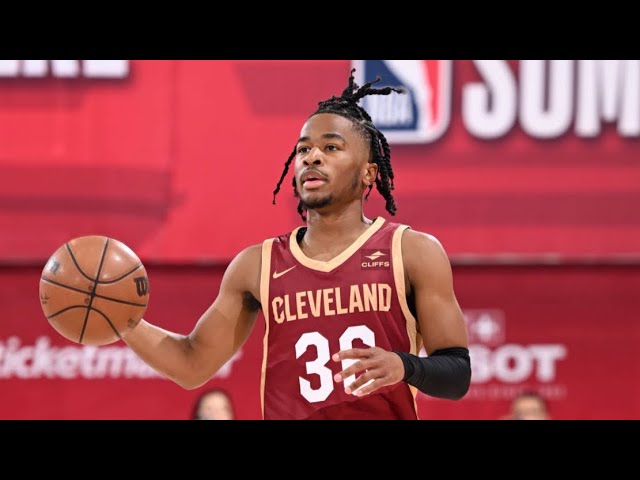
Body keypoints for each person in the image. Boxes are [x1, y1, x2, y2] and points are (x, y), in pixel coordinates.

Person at [122, 69, 471, 420]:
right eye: (304, 149)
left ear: (368, 172)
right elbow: (191, 364)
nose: (312, 157)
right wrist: (123, 323)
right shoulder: (257, 265)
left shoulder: (411, 251)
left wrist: (405, 366)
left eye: (331, 147)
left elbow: (457, 373)